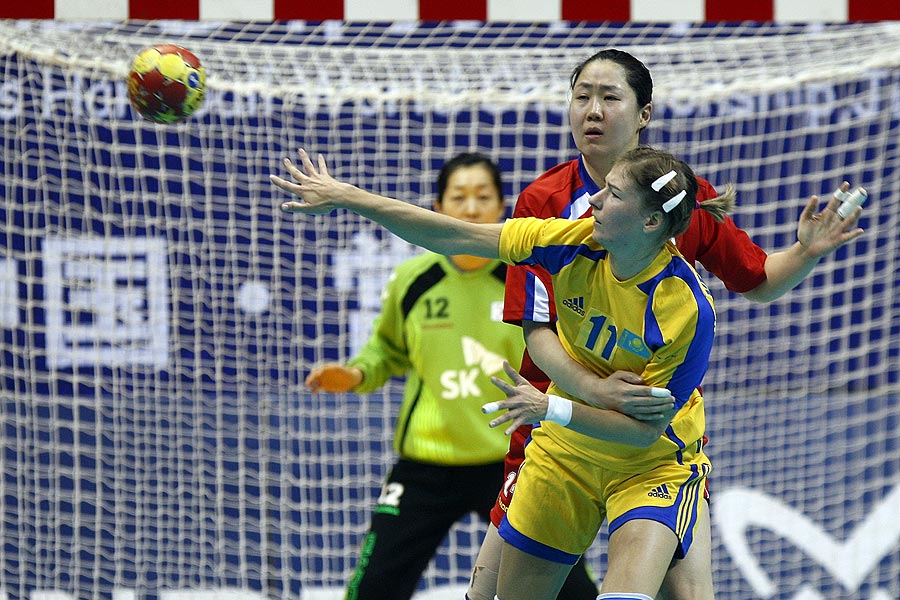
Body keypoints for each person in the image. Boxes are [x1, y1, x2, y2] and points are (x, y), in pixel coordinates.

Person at [270, 144, 779, 598]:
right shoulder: (568, 241)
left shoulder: (685, 310)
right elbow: (454, 235)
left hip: (648, 464)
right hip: (561, 455)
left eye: (614, 194)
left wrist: (551, 406)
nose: (594, 200)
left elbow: (643, 429)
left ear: (649, 223)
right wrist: (349, 197)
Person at [468, 48, 866, 600]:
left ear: (644, 114)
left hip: (652, 434)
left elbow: (759, 280)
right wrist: (591, 391)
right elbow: (537, 330)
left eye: (610, 97)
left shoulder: (682, 199)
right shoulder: (545, 200)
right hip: (554, 425)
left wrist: (806, 252)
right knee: (487, 591)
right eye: (581, 96)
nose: (592, 111)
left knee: (688, 593)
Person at [302, 152, 526, 600]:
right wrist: (355, 374)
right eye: (458, 197)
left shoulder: (524, 280)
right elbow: (386, 351)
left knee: (566, 585)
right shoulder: (412, 279)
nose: (470, 208)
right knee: (373, 590)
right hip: (426, 463)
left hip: (510, 462)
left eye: (483, 196)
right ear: (437, 209)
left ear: (503, 207)